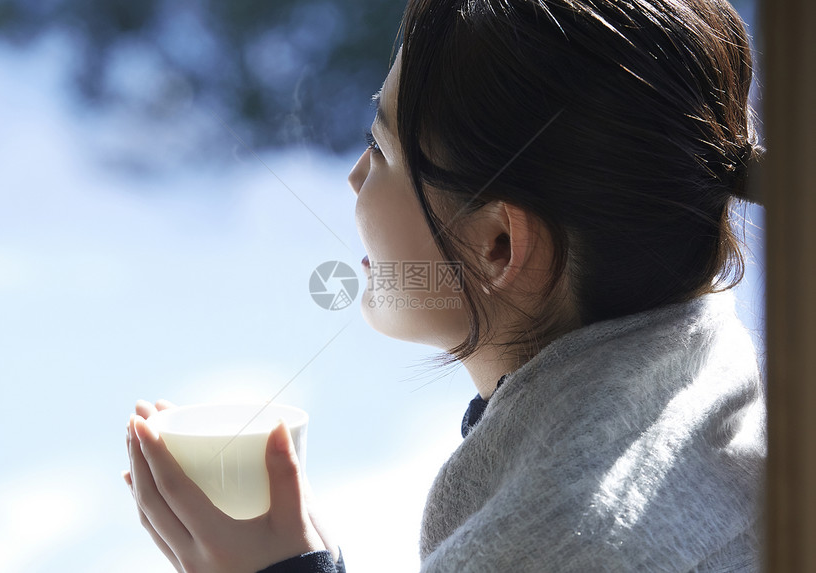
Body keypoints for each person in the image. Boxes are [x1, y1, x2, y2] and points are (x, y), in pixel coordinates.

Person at [124, 0, 766, 571]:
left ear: (498, 246)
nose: (353, 177)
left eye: (380, 148)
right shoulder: (711, 372)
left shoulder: (554, 544)